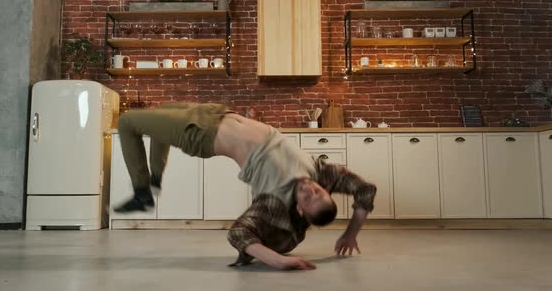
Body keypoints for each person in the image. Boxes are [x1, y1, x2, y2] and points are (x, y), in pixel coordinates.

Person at [114, 102, 377, 270]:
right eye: (318, 192)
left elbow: (238, 233)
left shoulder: (273, 201)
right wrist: (352, 233)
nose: (310, 189)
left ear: (298, 210)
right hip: (215, 112)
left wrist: (278, 261)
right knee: (156, 117)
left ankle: (142, 192)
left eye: (308, 199)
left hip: (201, 132)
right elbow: (366, 190)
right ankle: (154, 183)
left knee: (127, 122)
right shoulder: (319, 173)